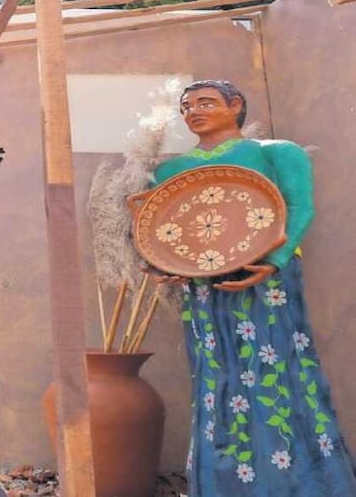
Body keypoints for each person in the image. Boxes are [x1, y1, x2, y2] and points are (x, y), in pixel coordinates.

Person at [150, 80, 355, 496]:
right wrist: (162, 262)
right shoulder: (169, 171)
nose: (193, 111)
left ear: (236, 105)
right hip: (202, 286)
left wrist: (274, 261)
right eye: (186, 106)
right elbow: (165, 227)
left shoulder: (276, 153)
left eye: (205, 102)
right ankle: (221, 483)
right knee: (214, 378)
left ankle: (297, 482)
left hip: (267, 282)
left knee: (277, 368)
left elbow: (299, 207)